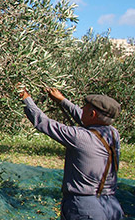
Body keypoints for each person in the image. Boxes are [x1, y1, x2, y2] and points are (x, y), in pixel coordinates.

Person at [19, 87, 124, 220]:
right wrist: (62, 100)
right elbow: (85, 118)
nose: (82, 109)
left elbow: (42, 122)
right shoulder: (113, 134)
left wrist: (25, 98)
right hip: (111, 206)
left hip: (83, 207)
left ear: (92, 114)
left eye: (84, 107)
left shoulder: (80, 137)